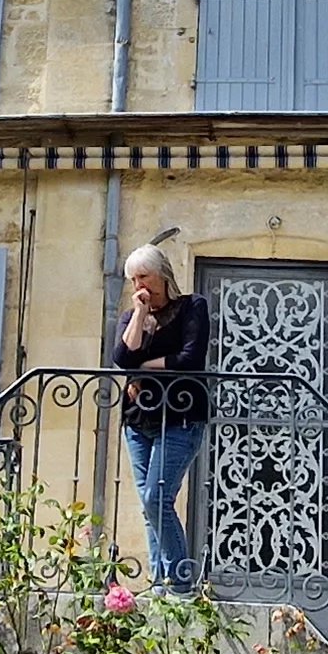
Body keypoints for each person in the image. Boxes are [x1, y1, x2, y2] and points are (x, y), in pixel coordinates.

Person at [112, 244, 211, 593]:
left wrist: (143, 368)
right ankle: (159, 585)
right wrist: (140, 314)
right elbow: (121, 357)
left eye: (144, 276)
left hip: (182, 417)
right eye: (133, 279)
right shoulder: (131, 318)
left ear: (162, 275)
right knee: (149, 506)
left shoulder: (192, 307)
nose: (138, 285)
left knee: (156, 499)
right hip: (138, 421)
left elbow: (190, 358)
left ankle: (180, 586)